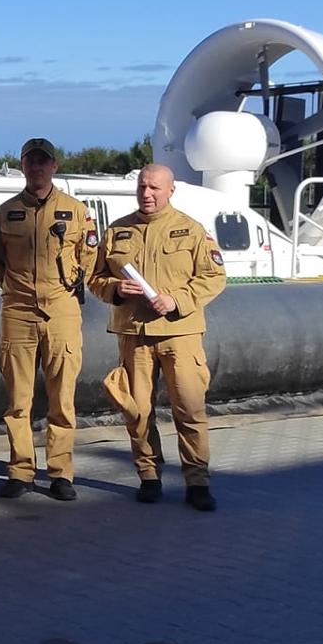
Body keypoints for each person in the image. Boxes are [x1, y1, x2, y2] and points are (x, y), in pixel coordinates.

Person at [88, 163, 227, 511]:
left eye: (154, 188)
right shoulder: (118, 231)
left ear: (170, 191)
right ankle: (148, 475)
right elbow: (95, 278)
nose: (147, 194)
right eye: (142, 187)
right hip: (134, 333)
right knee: (137, 410)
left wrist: (176, 300)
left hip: (180, 333)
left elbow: (213, 277)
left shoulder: (191, 230)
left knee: (189, 407)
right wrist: (116, 289)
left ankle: (197, 481)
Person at [0, 138, 96, 501]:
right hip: (18, 311)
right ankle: (20, 471)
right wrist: (15, 289)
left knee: (62, 398)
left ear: (54, 166)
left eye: (43, 161)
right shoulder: (5, 213)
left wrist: (65, 289)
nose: (37, 167)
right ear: (22, 166)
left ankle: (61, 473)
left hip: (61, 310)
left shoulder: (76, 212)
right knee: (18, 401)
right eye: (30, 161)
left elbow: (88, 258)